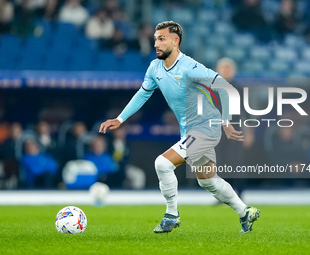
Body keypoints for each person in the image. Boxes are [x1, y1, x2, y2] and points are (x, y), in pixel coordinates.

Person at [99, 21, 260, 234]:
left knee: (163, 163)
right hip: (190, 131)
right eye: (156, 38)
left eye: (162, 39)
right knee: (208, 182)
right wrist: (120, 119)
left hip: (205, 128)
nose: (156, 43)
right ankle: (245, 212)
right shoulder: (155, 67)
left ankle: (171, 215)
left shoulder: (190, 67)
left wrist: (226, 122)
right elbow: (143, 93)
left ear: (176, 41)